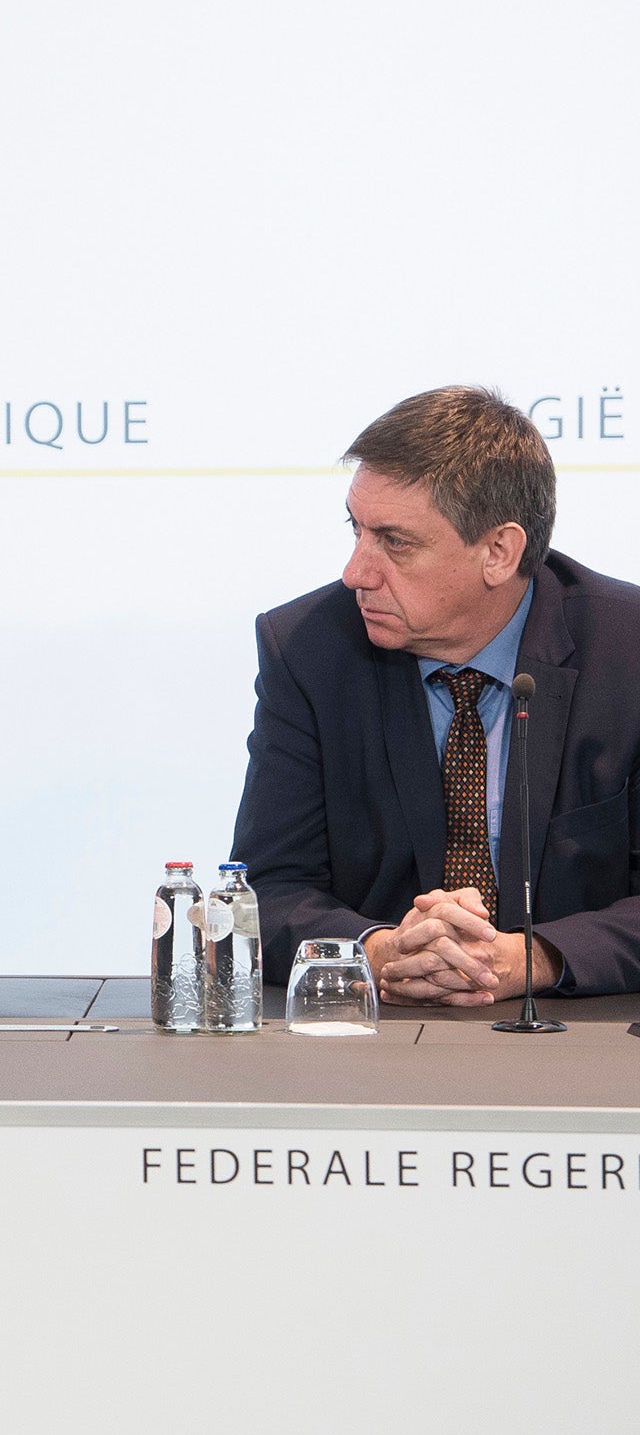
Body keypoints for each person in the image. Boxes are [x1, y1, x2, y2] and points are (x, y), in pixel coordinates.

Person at [231, 385, 640, 1003]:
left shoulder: (628, 650)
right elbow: (267, 886)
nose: (356, 573)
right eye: (357, 530)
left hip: (584, 1031)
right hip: (378, 1036)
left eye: (395, 542)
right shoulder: (310, 650)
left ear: (499, 552)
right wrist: (374, 951)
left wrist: (535, 958)